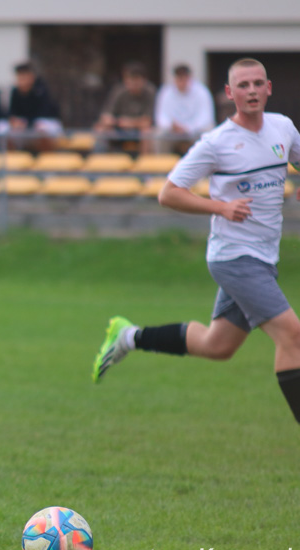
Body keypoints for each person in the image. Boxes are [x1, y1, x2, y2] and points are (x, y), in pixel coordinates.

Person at [92, 59, 300, 428]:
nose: (250, 91)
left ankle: (128, 337)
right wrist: (220, 206)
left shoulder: (283, 128)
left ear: (268, 88)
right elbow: (168, 194)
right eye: (242, 85)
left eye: (257, 84)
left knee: (217, 346)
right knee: (292, 335)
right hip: (235, 258)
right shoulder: (216, 143)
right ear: (229, 93)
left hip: (264, 257)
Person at [94, 62, 156, 153]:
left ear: (144, 80)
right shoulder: (119, 91)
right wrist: (116, 122)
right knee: (100, 129)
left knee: (147, 132)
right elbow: (106, 117)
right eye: (130, 80)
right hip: (119, 129)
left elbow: (147, 122)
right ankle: (100, 163)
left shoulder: (150, 92)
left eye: (136, 80)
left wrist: (129, 122)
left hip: (139, 132)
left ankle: (144, 165)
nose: (133, 84)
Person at [153, 64, 215, 154]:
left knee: (209, 131)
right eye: (179, 77)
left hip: (195, 132)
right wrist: (171, 126)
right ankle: (162, 165)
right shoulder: (166, 92)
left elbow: (206, 118)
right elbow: (161, 116)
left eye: (184, 77)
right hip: (173, 132)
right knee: (158, 134)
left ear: (190, 77)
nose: (182, 81)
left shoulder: (202, 91)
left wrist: (188, 128)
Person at [7, 61, 63, 152]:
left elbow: (43, 113)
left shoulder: (40, 89)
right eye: (19, 77)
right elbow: (12, 112)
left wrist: (27, 122)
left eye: (24, 77)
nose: (21, 80)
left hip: (47, 123)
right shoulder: (15, 91)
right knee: (5, 130)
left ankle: (46, 158)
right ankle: (14, 159)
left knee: (41, 127)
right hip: (25, 125)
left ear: (31, 77)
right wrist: (14, 120)